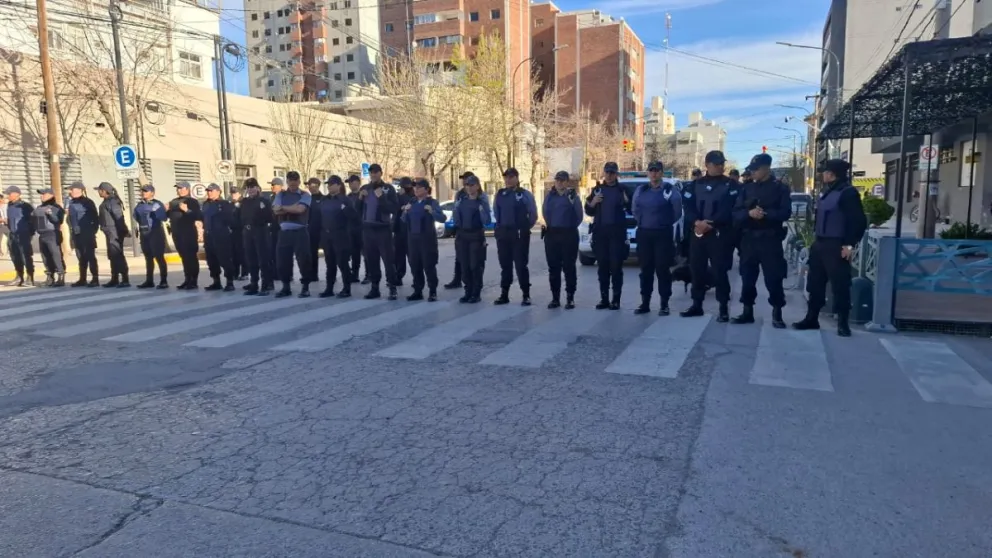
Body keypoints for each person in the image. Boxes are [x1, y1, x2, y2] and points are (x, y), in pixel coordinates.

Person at [793, 159, 867, 337]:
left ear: (832, 174)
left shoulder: (848, 193)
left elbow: (858, 222)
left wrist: (849, 245)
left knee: (840, 285)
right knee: (815, 283)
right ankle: (812, 318)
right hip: (820, 244)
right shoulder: (827, 191)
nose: (822, 174)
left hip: (837, 245)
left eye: (825, 172)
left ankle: (843, 323)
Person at [731, 153, 792, 328]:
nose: (753, 173)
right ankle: (747, 311)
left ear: (767, 169)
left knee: (774, 278)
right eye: (751, 169)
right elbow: (735, 213)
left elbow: (785, 213)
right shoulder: (746, 189)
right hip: (749, 239)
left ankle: (777, 313)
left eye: (756, 170)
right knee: (747, 277)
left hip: (770, 239)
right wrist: (749, 214)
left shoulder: (780, 189)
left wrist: (766, 214)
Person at [680, 150, 739, 321]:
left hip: (719, 235)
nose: (721, 166)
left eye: (722, 163)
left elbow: (732, 209)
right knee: (697, 270)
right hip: (698, 234)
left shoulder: (731, 185)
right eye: (717, 163)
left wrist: (711, 224)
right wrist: (696, 223)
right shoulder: (694, 185)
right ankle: (696, 305)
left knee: (720, 272)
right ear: (707, 165)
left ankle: (723, 308)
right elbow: (688, 207)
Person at [632, 161, 682, 316]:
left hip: (662, 234)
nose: (654, 173)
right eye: (651, 170)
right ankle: (645, 303)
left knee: (662, 269)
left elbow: (677, 212)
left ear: (662, 173)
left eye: (657, 171)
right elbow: (635, 210)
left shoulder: (669, 190)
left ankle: (664, 304)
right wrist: (644, 222)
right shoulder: (641, 190)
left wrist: (663, 222)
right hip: (644, 233)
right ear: (648, 173)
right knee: (645, 270)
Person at [585, 162, 629, 310]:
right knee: (602, 267)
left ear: (616, 174)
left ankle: (616, 300)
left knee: (616, 267)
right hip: (601, 233)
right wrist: (593, 202)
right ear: (604, 173)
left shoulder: (622, 189)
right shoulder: (597, 189)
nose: (609, 175)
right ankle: (604, 299)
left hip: (617, 234)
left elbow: (632, 208)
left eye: (612, 173)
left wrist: (627, 202)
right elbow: (589, 211)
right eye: (607, 172)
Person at [493, 167, 538, 306]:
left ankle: (526, 294)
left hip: (519, 234)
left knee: (520, 265)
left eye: (511, 177)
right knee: (505, 265)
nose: (508, 180)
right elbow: (496, 212)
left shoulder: (524, 194)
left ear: (517, 178)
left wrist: (524, 228)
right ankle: (504, 294)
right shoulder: (500, 194)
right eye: (506, 177)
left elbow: (533, 215)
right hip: (504, 233)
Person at [357, 163, 399, 300]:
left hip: (383, 229)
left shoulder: (388, 189)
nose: (373, 175)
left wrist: (382, 198)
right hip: (368, 229)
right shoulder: (364, 189)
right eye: (371, 173)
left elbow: (393, 209)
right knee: (372, 260)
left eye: (376, 172)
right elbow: (357, 210)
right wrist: (359, 198)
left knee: (388, 260)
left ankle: (392, 287)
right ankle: (375, 288)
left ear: (381, 173)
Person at [542, 170, 583, 309]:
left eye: (562, 180)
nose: (559, 182)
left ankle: (570, 297)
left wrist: (569, 227)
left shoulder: (572, 196)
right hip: (552, 234)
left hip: (568, 234)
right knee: (553, 268)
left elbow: (579, 216)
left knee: (569, 267)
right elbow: (545, 212)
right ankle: (555, 298)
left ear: (567, 182)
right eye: (557, 180)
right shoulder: (550, 196)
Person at [402, 178, 445, 302]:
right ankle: (417, 290)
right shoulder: (412, 202)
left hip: (427, 240)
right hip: (413, 239)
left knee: (429, 265)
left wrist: (432, 212)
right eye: (415, 187)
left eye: (419, 188)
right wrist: (405, 211)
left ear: (426, 190)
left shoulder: (432, 202)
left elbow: (442, 218)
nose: (416, 190)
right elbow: (403, 219)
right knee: (415, 265)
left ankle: (432, 291)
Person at [272, 171, 313, 298]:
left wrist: (283, 208)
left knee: (304, 260)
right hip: (284, 232)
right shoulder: (281, 194)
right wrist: (291, 207)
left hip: (300, 232)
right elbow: (275, 210)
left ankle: (305, 287)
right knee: (282, 261)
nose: (293, 182)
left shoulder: (305, 194)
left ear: (299, 181)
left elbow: (300, 210)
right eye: (290, 179)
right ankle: (286, 287)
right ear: (287, 181)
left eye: (295, 180)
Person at [318, 175, 358, 298]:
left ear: (338, 185)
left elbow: (354, 217)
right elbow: (320, 217)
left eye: (331, 184)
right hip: (327, 235)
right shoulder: (324, 200)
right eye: (328, 184)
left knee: (342, 263)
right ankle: (329, 288)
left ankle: (346, 288)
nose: (329, 186)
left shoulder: (345, 200)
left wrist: (345, 209)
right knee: (330, 263)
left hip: (341, 235)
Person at [453, 175, 491, 304]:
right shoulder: (461, 201)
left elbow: (487, 221)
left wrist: (481, 211)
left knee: (475, 265)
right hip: (463, 236)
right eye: (467, 185)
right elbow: (456, 219)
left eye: (472, 185)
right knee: (464, 266)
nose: (469, 188)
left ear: (478, 186)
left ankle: (476, 292)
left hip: (476, 236)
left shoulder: (482, 201)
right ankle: (467, 291)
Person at [239, 178, 275, 296]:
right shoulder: (244, 202)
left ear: (258, 188)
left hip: (260, 231)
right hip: (248, 232)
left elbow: (270, 217)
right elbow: (240, 217)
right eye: (248, 188)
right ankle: (254, 283)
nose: (250, 190)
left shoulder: (264, 201)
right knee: (251, 259)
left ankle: (265, 285)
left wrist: (262, 209)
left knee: (263, 260)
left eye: (253, 187)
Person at [167, 181, 203, 290]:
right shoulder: (173, 202)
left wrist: (186, 210)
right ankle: (187, 279)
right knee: (184, 257)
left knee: (191, 257)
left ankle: (194, 280)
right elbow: (167, 216)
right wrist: (165, 210)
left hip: (188, 233)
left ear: (187, 189)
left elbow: (197, 216)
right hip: (177, 233)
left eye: (182, 188)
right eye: (178, 188)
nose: (179, 190)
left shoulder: (192, 201)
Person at [201, 184, 237, 292]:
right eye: (208, 191)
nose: (209, 193)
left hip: (221, 235)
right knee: (211, 260)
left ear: (218, 192)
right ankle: (216, 281)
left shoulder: (224, 204)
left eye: (211, 191)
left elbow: (231, 220)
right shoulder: (206, 204)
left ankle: (229, 282)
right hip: (208, 235)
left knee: (224, 259)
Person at [133, 185, 169, 289]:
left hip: (155, 232)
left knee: (159, 257)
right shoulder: (139, 205)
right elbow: (136, 217)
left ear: (152, 193)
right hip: (144, 233)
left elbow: (163, 218)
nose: (143, 193)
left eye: (146, 191)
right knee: (148, 258)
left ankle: (163, 281)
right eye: (142, 191)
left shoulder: (157, 204)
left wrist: (156, 213)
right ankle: (149, 280)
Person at [96, 182, 131, 288]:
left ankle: (125, 279)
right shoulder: (107, 201)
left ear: (104, 191)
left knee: (117, 255)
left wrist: (124, 230)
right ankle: (114, 278)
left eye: (99, 190)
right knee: (112, 256)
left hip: (114, 232)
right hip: (109, 232)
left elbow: (119, 217)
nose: (98, 192)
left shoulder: (112, 202)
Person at [66, 182, 100, 287]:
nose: (70, 192)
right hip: (76, 234)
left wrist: (92, 231)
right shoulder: (71, 203)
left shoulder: (87, 202)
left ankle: (95, 279)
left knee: (90, 256)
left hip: (87, 233)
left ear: (79, 190)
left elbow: (95, 217)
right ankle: (82, 278)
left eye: (72, 190)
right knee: (81, 257)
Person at [444, 172, 474, 290]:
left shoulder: (478, 193)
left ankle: (473, 282)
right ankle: (457, 279)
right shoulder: (460, 194)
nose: (464, 181)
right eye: (463, 179)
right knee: (459, 256)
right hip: (460, 229)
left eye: (466, 179)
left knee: (473, 258)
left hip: (473, 229)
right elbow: (456, 209)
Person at [32, 188, 65, 287]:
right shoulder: (39, 208)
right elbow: (35, 221)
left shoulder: (56, 207)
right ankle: (50, 277)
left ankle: (61, 277)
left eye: (44, 194)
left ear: (51, 195)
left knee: (56, 255)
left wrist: (50, 214)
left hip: (52, 233)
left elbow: (59, 221)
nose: (41, 196)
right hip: (42, 234)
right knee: (45, 257)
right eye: (41, 194)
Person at [3, 186, 35, 287]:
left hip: (23, 235)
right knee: (15, 256)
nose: (7, 196)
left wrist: (29, 233)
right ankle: (19, 276)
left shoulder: (25, 206)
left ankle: (30, 277)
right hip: (12, 234)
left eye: (9, 194)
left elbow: (33, 221)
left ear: (17, 194)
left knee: (25, 256)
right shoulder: (10, 205)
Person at [393, 177, 414, 287]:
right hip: (399, 230)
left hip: (410, 231)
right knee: (398, 256)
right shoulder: (398, 196)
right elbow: (394, 208)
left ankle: (416, 278)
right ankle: (398, 276)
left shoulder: (413, 197)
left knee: (412, 256)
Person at [345, 175, 365, 284]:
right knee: (354, 252)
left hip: (362, 227)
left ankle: (369, 274)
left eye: (352, 182)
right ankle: (355, 274)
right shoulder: (348, 197)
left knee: (366, 252)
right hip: (351, 228)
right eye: (349, 183)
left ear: (358, 182)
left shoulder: (363, 195)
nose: (350, 184)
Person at [306, 176, 325, 283]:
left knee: (329, 254)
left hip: (323, 229)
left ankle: (331, 273)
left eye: (314, 186)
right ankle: (313, 275)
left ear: (318, 186)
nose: (311, 188)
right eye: (310, 186)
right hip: (311, 230)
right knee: (312, 253)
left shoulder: (324, 198)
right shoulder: (307, 199)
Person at [267, 177, 285, 282]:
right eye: (272, 185)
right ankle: (275, 272)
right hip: (273, 228)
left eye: (274, 185)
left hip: (282, 227)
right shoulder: (271, 197)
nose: (272, 187)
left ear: (279, 186)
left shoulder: (284, 196)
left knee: (282, 252)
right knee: (273, 251)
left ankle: (285, 273)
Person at [229, 188, 246, 280]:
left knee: (242, 253)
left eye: (235, 193)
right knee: (234, 253)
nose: (233, 195)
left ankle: (244, 273)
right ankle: (235, 273)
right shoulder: (231, 204)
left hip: (241, 231)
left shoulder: (243, 203)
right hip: (232, 231)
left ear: (240, 193)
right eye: (232, 193)